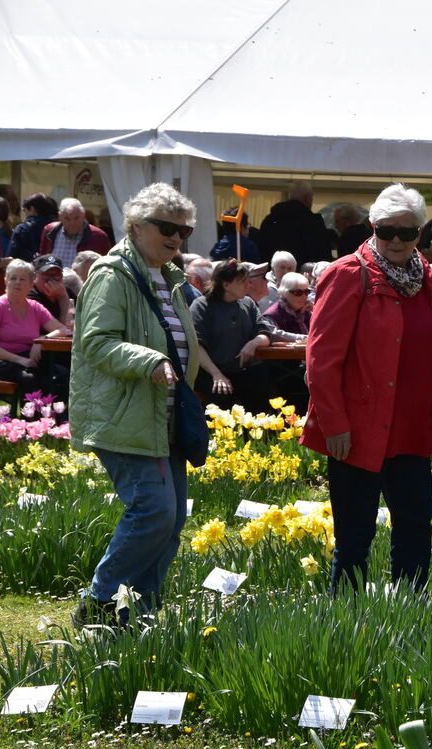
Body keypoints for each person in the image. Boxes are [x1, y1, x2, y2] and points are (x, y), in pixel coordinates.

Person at [301, 183, 432, 593]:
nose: (395, 240)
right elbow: (321, 359)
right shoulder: (348, 275)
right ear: (372, 227)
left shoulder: (424, 278)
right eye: (386, 231)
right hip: (358, 430)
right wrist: (334, 423)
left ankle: (407, 621)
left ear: (420, 234)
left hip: (412, 428)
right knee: (354, 539)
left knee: (415, 531)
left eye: (406, 233)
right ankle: (344, 629)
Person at [70, 182, 211, 625]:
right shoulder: (112, 275)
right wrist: (150, 360)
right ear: (134, 225)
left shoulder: (171, 280)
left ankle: (138, 615)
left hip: (164, 418)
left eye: (184, 231)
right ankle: (99, 598)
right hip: (127, 416)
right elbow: (95, 342)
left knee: (170, 524)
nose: (175, 237)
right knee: (153, 510)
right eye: (166, 227)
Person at [189, 260, 272, 412]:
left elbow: (265, 332)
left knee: (264, 385)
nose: (248, 285)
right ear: (226, 285)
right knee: (222, 395)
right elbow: (196, 345)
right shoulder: (201, 306)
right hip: (212, 371)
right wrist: (216, 374)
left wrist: (254, 343)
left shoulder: (248, 303)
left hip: (244, 371)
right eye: (242, 282)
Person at [0, 260, 69, 391]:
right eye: (13, 278)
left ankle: (56, 411)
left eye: (22, 279)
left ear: (31, 284)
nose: (17, 282)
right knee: (30, 379)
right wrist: (19, 360)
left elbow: (62, 329)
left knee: (63, 374)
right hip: (4, 362)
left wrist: (41, 340)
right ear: (6, 281)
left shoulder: (35, 307)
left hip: (30, 359)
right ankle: (31, 412)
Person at [256, 180, 332, 265]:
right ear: (306, 198)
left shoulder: (269, 220)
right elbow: (322, 253)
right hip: (305, 274)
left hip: (274, 272)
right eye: (311, 198)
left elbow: (261, 249)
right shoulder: (313, 222)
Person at [38, 198, 111, 265]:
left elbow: (106, 265)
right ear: (59, 217)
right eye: (67, 219)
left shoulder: (99, 237)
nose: (72, 223)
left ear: (83, 215)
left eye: (76, 218)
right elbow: (42, 261)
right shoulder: (49, 231)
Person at [7, 193, 56, 261]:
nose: (25, 214)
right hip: (51, 267)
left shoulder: (22, 229)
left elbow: (11, 255)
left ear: (32, 209)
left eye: (25, 211)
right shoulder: (56, 227)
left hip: (27, 268)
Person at [29, 254, 76, 323]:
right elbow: (65, 330)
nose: (52, 279)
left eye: (57, 274)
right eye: (47, 274)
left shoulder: (67, 292)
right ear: (34, 276)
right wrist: (63, 298)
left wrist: (63, 296)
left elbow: (70, 327)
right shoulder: (30, 295)